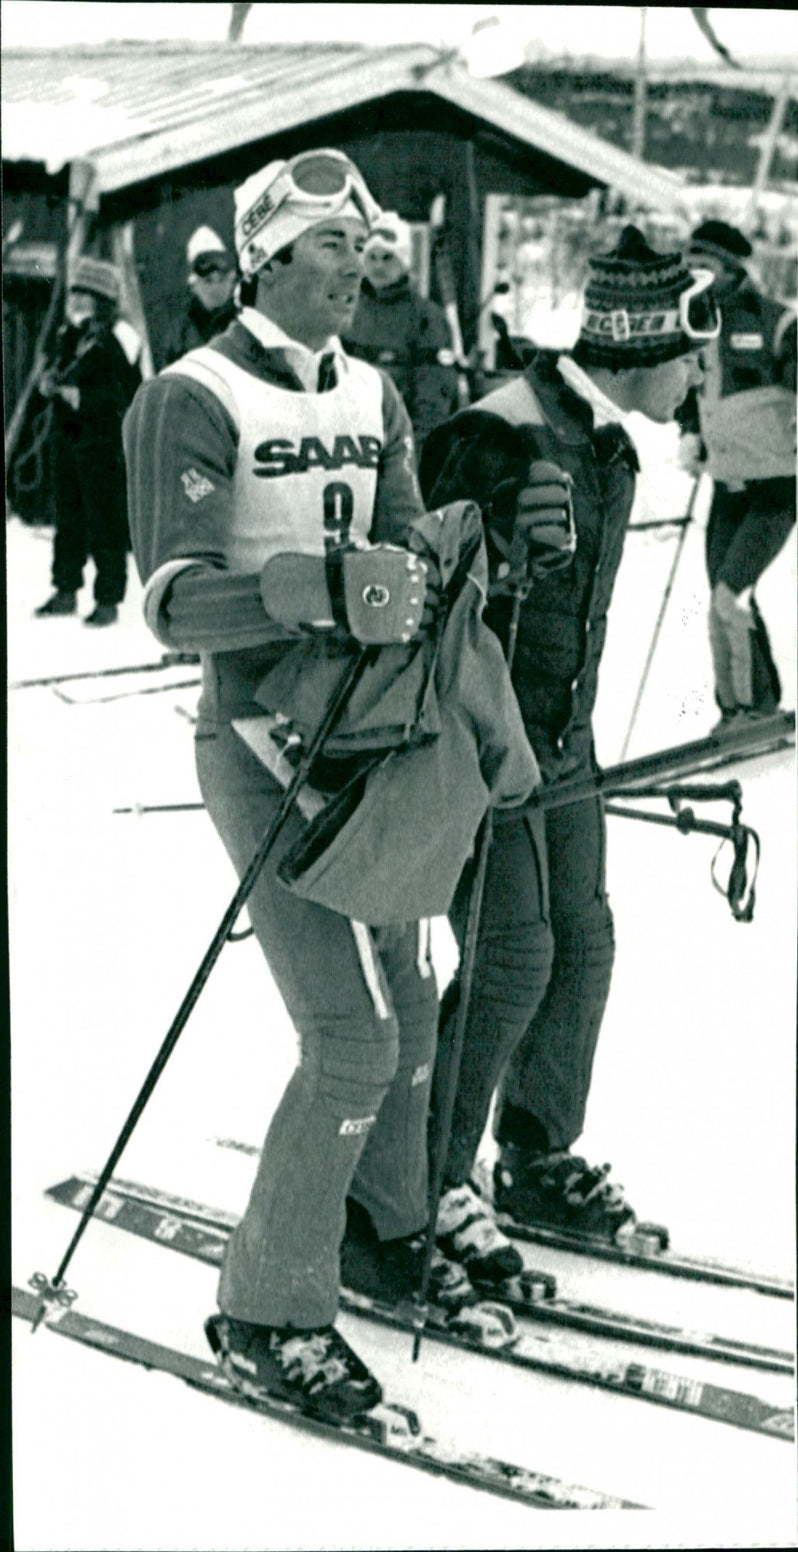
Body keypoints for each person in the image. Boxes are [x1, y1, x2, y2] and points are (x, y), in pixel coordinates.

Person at [123, 148, 537, 1424]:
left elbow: (406, 536)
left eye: (361, 248)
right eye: (325, 248)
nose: (355, 268)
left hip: (369, 737)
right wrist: (305, 590)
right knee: (352, 1036)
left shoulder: (368, 386)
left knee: (404, 1009)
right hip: (257, 743)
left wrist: (477, 540)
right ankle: (267, 1304)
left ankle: (379, 1227)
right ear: (262, 260)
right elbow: (170, 602)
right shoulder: (189, 395)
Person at [416, 227, 715, 1267]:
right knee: (510, 956)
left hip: (562, 740)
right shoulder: (498, 435)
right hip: (476, 734)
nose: (700, 377)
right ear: (639, 347)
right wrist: (495, 562)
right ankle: (422, 1179)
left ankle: (535, 1155)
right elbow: (427, 581)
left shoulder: (606, 447)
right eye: (691, 355)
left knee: (581, 942)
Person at [677, 219, 797, 724]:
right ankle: (737, 711)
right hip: (725, 487)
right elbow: (689, 389)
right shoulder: (694, 324)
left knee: (731, 597)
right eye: (689, 266)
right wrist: (689, 431)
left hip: (774, 487)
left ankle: (755, 711)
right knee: (720, 604)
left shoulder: (775, 321)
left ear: (730, 268)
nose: (693, 274)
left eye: (703, 265)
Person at [34, 257, 142, 626]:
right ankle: (65, 589)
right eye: (75, 291)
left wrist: (83, 399)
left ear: (102, 298)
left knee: (106, 524)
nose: (75, 298)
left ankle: (108, 599)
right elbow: (60, 374)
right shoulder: (71, 336)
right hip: (68, 444)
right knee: (69, 519)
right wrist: (50, 384)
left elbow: (126, 394)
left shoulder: (120, 340)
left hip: (104, 448)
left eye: (84, 293)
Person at [343, 211, 460, 448]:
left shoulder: (426, 318)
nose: (378, 266)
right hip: (347, 436)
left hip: (397, 440)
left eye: (388, 258)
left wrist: (414, 450)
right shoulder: (345, 309)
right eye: (372, 257)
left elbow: (433, 396)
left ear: (404, 261)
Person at [160, 225, 237, 366]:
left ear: (231, 280)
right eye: (208, 281)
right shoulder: (178, 337)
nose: (215, 288)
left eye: (220, 279)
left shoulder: (244, 319)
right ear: (194, 285)